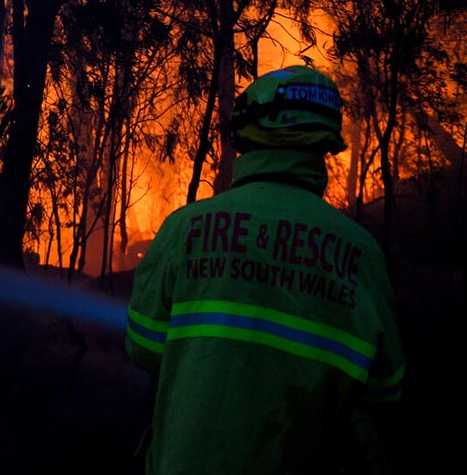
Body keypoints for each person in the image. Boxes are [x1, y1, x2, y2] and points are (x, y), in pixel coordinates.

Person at [125, 66, 405, 474]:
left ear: (246, 135)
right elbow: (386, 387)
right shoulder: (361, 254)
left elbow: (144, 347)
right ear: (325, 143)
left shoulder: (185, 228)